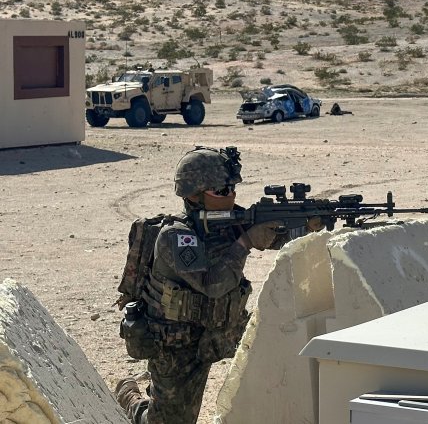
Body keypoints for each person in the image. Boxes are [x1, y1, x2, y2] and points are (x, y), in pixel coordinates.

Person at [115, 146, 322, 424]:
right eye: (221, 191)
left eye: (232, 188)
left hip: (223, 328)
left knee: (277, 355)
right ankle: (132, 399)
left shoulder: (231, 222)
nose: (231, 196)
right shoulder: (177, 236)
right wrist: (246, 242)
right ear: (193, 195)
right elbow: (214, 285)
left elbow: (278, 239)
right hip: (179, 342)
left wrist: (309, 225)